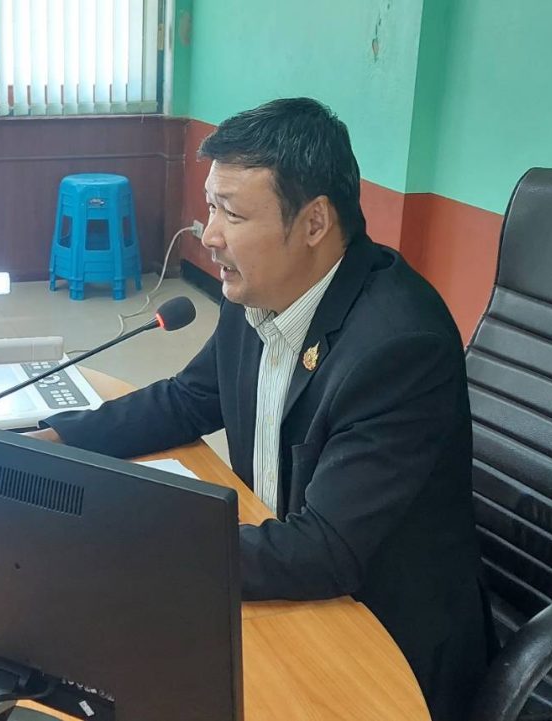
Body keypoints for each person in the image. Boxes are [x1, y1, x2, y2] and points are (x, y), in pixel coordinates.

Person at [29, 98, 491, 718]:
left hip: (382, 642)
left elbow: (324, 550)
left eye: (233, 213)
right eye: (211, 207)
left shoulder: (398, 345)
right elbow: (190, 398)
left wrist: (132, 545)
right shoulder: (260, 287)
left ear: (314, 222)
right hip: (290, 586)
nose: (209, 235)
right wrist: (55, 444)